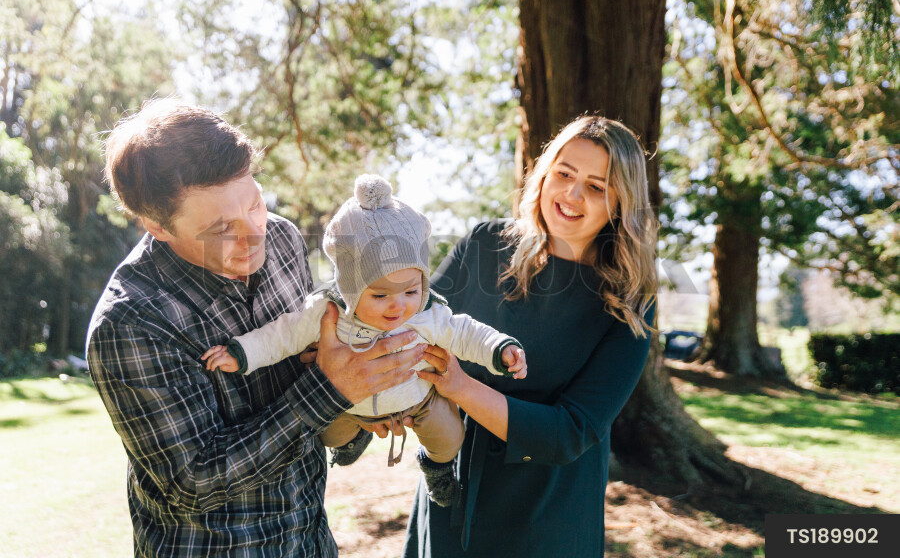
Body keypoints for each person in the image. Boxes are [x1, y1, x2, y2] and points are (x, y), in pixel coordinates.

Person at [85, 99, 427, 557]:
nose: (253, 235)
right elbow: (192, 483)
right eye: (221, 227)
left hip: (309, 540)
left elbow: (316, 352)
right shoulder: (130, 322)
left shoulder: (283, 240)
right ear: (157, 226)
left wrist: (362, 404)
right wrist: (330, 390)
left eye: (255, 203)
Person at [401, 115, 658, 557]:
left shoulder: (628, 301)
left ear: (620, 203)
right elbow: (413, 329)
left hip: (546, 518)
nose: (572, 195)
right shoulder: (484, 245)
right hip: (450, 492)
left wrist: (460, 386)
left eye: (597, 187)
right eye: (564, 173)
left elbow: (571, 431)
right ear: (545, 172)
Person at [201, 174, 527, 507]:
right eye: (380, 293)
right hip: (347, 404)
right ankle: (350, 441)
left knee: (450, 435)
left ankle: (438, 468)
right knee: (329, 433)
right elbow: (282, 334)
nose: (398, 305)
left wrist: (500, 350)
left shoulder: (427, 315)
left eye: (411, 290)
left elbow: (466, 332)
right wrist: (242, 353)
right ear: (351, 289)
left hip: (419, 401)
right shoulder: (329, 312)